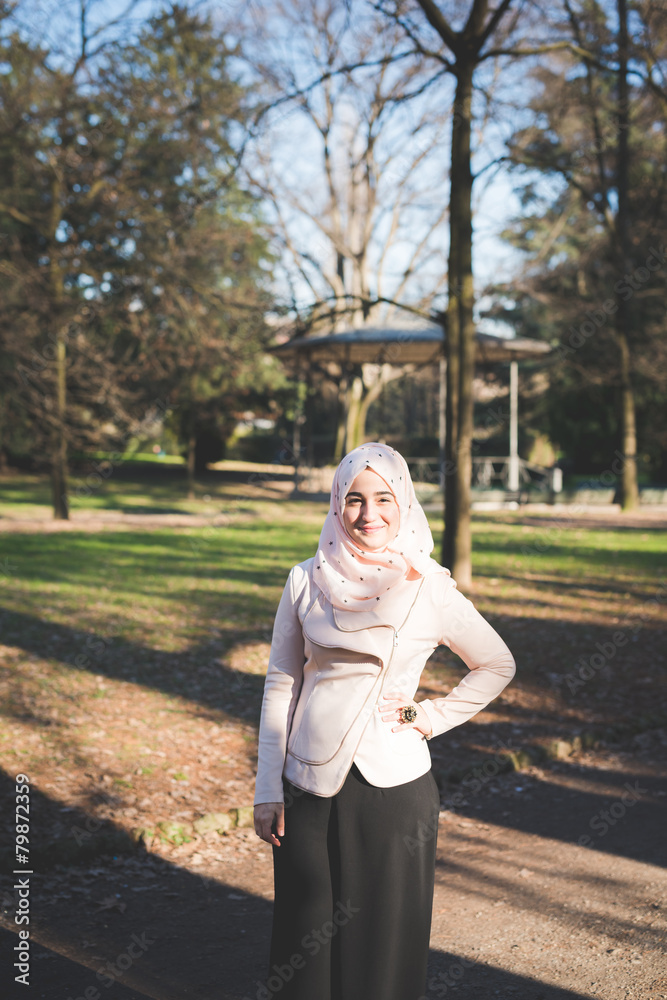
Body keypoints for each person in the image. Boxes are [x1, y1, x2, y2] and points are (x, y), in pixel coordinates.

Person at [253, 443, 515, 1000]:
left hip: (393, 791)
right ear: (335, 506)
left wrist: (429, 716)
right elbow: (283, 682)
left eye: (383, 499)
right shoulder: (304, 579)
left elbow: (495, 663)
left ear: (405, 505)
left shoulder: (429, 585)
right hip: (307, 786)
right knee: (306, 950)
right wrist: (266, 788)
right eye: (353, 499)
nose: (368, 514)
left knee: (384, 946)